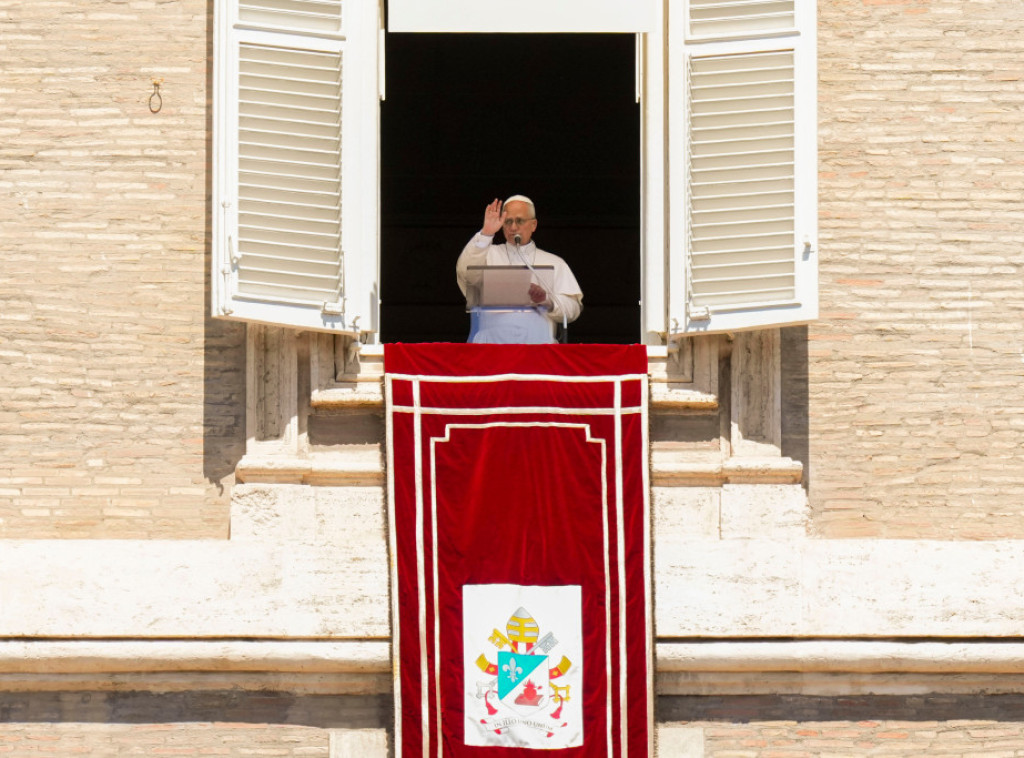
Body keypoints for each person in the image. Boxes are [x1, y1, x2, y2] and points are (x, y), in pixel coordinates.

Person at [456, 196, 583, 344]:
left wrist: (547, 300)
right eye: (508, 221)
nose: (513, 227)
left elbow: (572, 309)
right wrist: (486, 233)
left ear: (533, 225)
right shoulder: (487, 254)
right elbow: (465, 274)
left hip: (538, 349)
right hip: (492, 348)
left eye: (520, 221)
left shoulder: (555, 262)